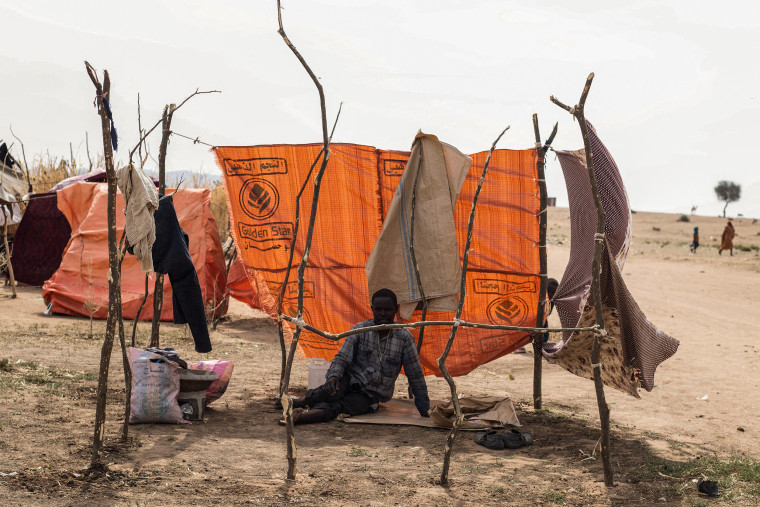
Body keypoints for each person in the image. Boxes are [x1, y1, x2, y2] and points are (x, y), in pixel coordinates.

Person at [287, 288, 430, 424]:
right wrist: (333, 376)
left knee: (342, 406)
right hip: (350, 380)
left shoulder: (405, 338)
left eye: (388, 310)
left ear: (395, 310)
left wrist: (425, 409)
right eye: (378, 310)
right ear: (372, 309)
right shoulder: (359, 330)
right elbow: (341, 358)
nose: (383, 314)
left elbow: (415, 375)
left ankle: (301, 418)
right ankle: (302, 402)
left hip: (371, 395)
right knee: (329, 391)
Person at [515, 277, 559, 353]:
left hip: (542, 318)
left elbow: (548, 313)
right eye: (548, 291)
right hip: (531, 317)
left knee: (545, 334)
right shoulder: (539, 297)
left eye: (553, 292)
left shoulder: (552, 300)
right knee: (523, 332)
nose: (551, 294)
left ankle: (541, 348)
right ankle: (518, 346)